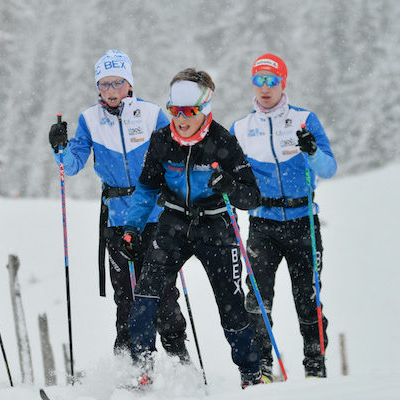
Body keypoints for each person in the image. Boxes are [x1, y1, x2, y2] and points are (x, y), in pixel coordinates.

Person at [123, 68, 264, 388]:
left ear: (205, 109)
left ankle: (250, 375)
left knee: (230, 307)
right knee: (144, 297)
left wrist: (227, 183)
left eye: (190, 112)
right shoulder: (161, 140)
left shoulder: (222, 141)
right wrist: (131, 227)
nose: (181, 119)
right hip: (173, 223)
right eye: (175, 111)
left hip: (216, 226)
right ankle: (141, 372)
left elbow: (251, 196)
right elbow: (146, 189)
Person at [48, 49, 189, 361]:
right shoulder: (89, 120)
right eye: (104, 84)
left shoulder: (152, 114)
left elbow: (179, 156)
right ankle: (132, 364)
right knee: (126, 296)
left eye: (117, 83)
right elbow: (71, 167)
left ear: (129, 84)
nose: (110, 91)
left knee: (163, 291)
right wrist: (60, 147)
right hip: (117, 221)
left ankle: (179, 358)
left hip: (155, 215)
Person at [230, 53, 337, 380]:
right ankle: (261, 367)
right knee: (258, 299)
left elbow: (328, 169)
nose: (265, 88)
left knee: (308, 299)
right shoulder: (242, 128)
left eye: (272, 80)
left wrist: (312, 151)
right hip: (263, 223)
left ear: (283, 83)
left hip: (302, 220)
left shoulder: (305, 120)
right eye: (259, 80)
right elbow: (233, 178)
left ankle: (315, 365)